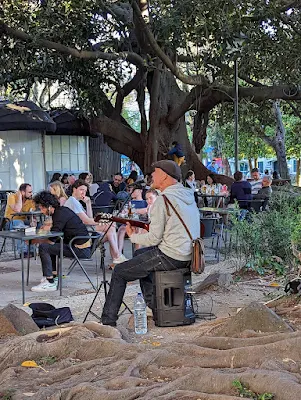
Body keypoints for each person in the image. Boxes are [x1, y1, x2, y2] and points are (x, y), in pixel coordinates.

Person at [101, 160, 200, 327]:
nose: (151, 176)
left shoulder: (164, 200)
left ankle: (108, 321)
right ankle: (153, 305)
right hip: (188, 253)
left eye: (155, 173)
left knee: (120, 271)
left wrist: (133, 237)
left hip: (171, 255)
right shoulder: (187, 194)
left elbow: (154, 238)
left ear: (165, 176)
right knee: (141, 256)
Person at [30, 191, 91, 292]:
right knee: (50, 247)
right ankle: (53, 276)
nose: (41, 210)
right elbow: (55, 237)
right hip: (78, 245)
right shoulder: (61, 211)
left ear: (48, 206)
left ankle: (49, 282)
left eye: (41, 207)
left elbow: (52, 238)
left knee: (44, 247)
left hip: (80, 249)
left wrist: (35, 240)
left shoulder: (59, 215)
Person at [64, 179, 127, 264]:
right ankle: (117, 256)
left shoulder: (76, 202)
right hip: (81, 235)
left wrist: (88, 203)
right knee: (110, 227)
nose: (83, 193)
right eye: (81, 190)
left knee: (111, 229)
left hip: (84, 232)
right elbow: (87, 221)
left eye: (85, 191)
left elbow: (89, 218)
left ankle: (116, 259)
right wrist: (103, 221)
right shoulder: (72, 201)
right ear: (74, 189)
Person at [4, 183, 35, 255]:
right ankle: (23, 251)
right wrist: (19, 196)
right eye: (29, 192)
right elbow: (17, 209)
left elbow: (32, 214)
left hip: (24, 221)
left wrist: (33, 221)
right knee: (19, 224)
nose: (31, 194)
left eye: (31, 192)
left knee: (36, 226)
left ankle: (32, 250)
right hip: (10, 222)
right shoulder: (12, 197)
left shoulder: (30, 200)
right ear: (23, 192)